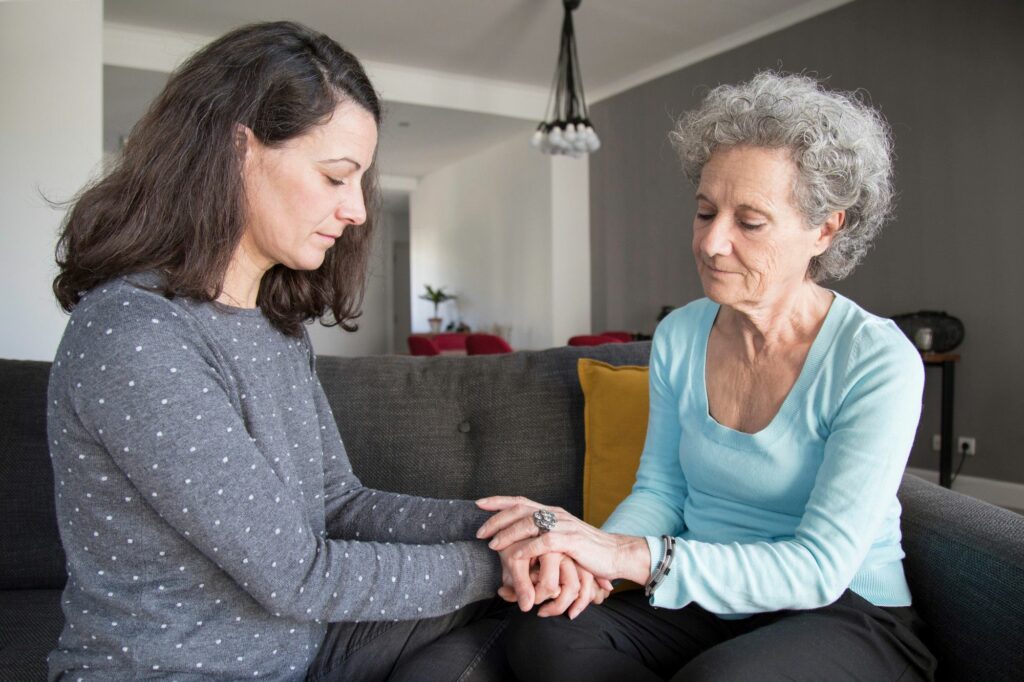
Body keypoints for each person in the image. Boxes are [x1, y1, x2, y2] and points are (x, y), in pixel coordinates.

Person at [46, 21, 595, 681]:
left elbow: (339, 503)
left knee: (538, 607)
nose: (358, 211)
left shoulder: (275, 326)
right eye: (337, 176)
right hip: (177, 671)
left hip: (301, 651)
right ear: (237, 150)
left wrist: (517, 525)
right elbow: (299, 575)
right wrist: (495, 563)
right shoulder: (136, 336)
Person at [478, 71, 938, 681]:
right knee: (546, 634)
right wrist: (590, 562)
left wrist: (628, 555)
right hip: (703, 594)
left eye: (749, 222)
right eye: (704, 211)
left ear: (826, 228)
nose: (711, 243)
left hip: (840, 610)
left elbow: (819, 566)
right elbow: (661, 492)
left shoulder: (876, 360)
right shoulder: (681, 335)